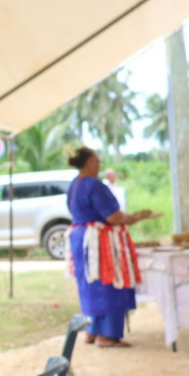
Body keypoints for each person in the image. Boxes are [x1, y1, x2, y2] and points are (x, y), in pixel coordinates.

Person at [67, 147, 144, 348]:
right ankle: (107, 335)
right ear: (90, 162)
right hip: (99, 241)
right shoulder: (94, 185)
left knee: (89, 284)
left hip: (80, 239)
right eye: (98, 161)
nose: (99, 165)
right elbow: (113, 216)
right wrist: (133, 218)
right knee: (109, 284)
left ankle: (92, 331)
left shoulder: (74, 185)